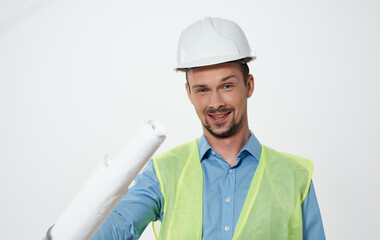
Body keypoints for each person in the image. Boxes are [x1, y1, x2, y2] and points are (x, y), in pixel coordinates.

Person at [92, 17, 325, 240]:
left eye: (226, 86)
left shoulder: (295, 177)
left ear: (249, 85)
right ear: (189, 93)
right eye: (203, 89)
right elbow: (121, 224)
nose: (215, 103)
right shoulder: (163, 173)